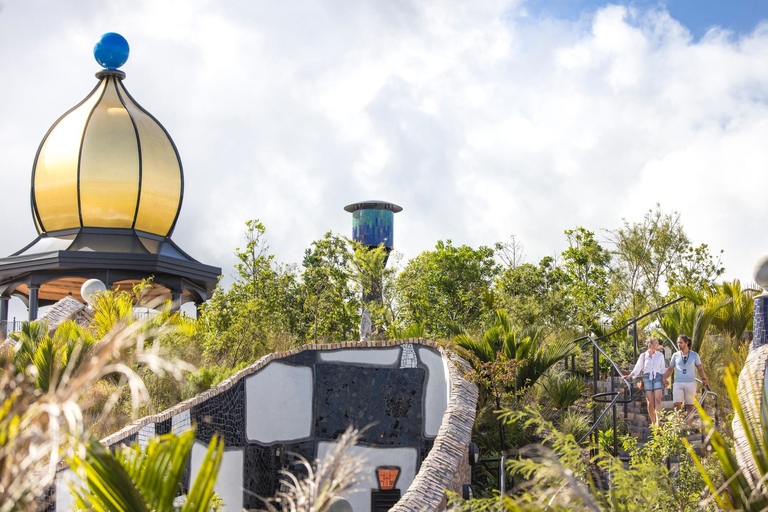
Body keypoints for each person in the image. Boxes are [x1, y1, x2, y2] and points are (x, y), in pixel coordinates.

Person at [662, 334, 710, 423]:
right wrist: (664, 377)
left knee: (689, 405)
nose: (678, 344)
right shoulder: (675, 355)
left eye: (681, 342)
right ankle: (679, 424)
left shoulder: (694, 355)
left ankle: (689, 426)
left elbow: (700, 368)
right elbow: (670, 369)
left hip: (690, 383)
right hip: (678, 382)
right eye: (677, 343)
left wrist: (704, 379)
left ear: (686, 343)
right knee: (676, 403)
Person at [622, 338, 665, 426]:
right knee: (650, 401)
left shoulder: (660, 355)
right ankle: (653, 422)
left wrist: (664, 379)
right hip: (647, 378)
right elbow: (638, 368)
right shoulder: (643, 356)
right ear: (651, 344)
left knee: (658, 399)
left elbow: (663, 369)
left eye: (658, 343)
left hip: (658, 377)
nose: (658, 344)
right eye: (656, 343)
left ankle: (658, 422)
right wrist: (630, 375)